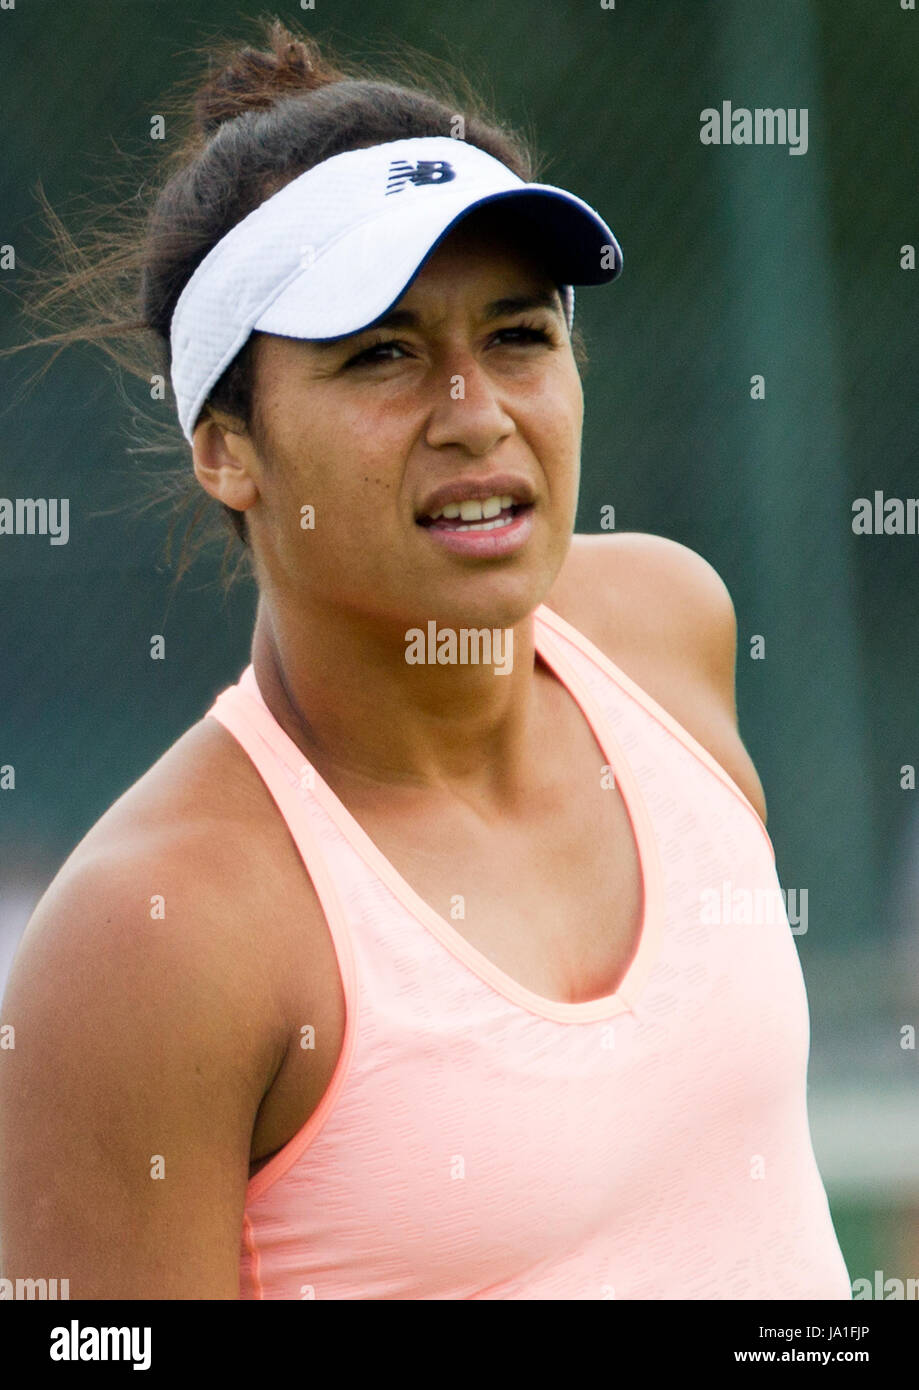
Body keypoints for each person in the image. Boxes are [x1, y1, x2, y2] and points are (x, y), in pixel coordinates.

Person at [0, 17, 852, 1300]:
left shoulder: (667, 631)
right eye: (383, 355)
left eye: (518, 335)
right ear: (226, 446)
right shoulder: (152, 936)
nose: (477, 412)